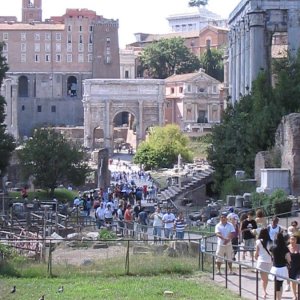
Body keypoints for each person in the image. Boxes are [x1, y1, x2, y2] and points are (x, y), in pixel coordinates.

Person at [269, 232, 291, 300]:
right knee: (280, 284)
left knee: (277, 284)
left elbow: (271, 255)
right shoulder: (285, 248)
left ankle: (277, 297)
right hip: (282, 268)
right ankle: (279, 298)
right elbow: (289, 259)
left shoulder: (272, 247)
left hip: (275, 267)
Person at [254, 228, 273, 299]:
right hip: (269, 261)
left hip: (261, 261)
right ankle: (265, 290)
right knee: (266, 277)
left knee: (263, 278)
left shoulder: (258, 241)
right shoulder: (271, 241)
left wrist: (255, 257)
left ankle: (264, 292)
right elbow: (272, 252)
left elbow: (257, 252)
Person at [288, 235, 300, 300]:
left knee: (299, 280)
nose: (293, 241)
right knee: (293, 281)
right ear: (289, 240)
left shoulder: (299, 246)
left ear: (296, 240)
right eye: (291, 239)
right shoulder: (287, 248)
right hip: (291, 267)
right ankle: (294, 295)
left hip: (299, 267)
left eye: (294, 239)